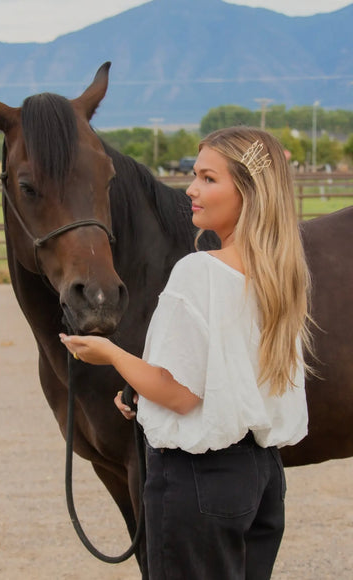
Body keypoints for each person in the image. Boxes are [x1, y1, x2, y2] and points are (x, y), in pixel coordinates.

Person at [60, 126, 313, 580]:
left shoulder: (200, 272)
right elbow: (227, 376)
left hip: (201, 482)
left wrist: (111, 355)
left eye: (209, 179)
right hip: (261, 477)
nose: (191, 189)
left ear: (249, 192)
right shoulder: (281, 275)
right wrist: (141, 390)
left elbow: (180, 394)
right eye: (195, 175)